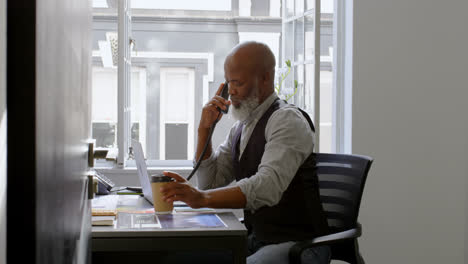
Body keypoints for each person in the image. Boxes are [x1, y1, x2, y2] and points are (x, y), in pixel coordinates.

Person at [160, 41, 330, 263]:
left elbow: (267, 187)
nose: (230, 91)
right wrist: (204, 130)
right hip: (257, 239)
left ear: (265, 78)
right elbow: (210, 183)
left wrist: (202, 199)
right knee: (177, 255)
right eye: (228, 83)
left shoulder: (287, 121)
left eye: (237, 83)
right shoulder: (241, 128)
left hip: (299, 244)